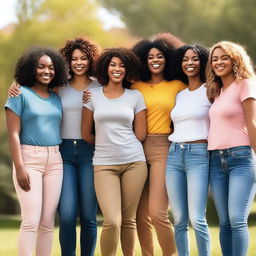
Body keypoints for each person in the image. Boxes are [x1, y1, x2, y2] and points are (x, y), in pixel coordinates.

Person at [8, 36, 101, 256]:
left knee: (78, 218)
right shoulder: (55, 87)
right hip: (57, 153)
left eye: (84, 58)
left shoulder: (97, 86)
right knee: (60, 216)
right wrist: (16, 85)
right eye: (74, 59)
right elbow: (16, 126)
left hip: (78, 154)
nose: (78, 62)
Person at [81, 48, 148, 256]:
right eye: (113, 64)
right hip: (104, 165)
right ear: (105, 68)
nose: (117, 69)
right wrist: (105, 144)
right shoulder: (92, 95)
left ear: (127, 70)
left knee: (129, 220)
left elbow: (141, 134)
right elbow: (85, 133)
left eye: (122, 65)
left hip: (134, 163)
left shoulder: (135, 96)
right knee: (112, 220)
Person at [5, 47, 67, 256]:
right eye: (41, 66)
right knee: (31, 221)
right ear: (31, 69)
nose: (46, 71)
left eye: (50, 67)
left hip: (55, 161)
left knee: (47, 223)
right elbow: (13, 134)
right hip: (29, 159)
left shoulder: (56, 97)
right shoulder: (19, 93)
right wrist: (20, 167)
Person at [131, 39, 187, 256]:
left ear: (167, 58)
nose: (155, 60)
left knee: (157, 213)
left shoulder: (177, 86)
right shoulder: (135, 86)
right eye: (150, 57)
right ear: (144, 60)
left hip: (164, 148)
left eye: (159, 56)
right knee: (139, 215)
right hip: (136, 148)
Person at [206, 41, 256, 256]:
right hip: (215, 161)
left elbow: (253, 122)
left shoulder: (245, 84)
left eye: (224, 57)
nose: (219, 62)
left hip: (241, 158)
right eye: (215, 59)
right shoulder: (216, 92)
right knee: (224, 221)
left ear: (235, 59)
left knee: (237, 219)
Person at [165, 45, 211, 256]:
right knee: (180, 218)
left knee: (197, 218)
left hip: (198, 155)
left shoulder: (210, 90)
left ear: (203, 62)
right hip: (174, 155)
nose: (189, 63)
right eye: (185, 59)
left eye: (194, 59)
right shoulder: (180, 94)